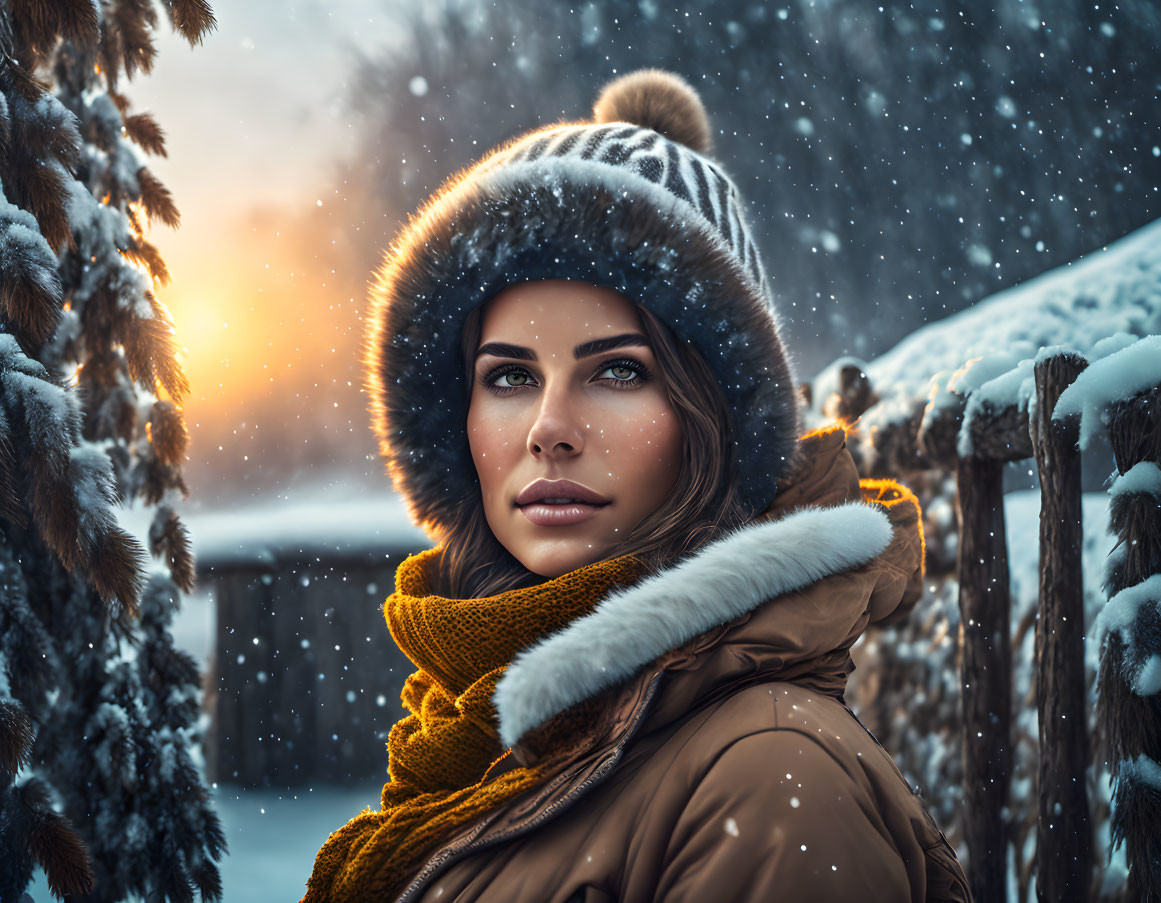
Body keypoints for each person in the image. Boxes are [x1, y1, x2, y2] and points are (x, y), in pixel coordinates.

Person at [302, 69, 971, 903]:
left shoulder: (772, 777)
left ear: (713, 414)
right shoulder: (475, 734)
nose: (549, 426)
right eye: (508, 377)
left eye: (617, 370)